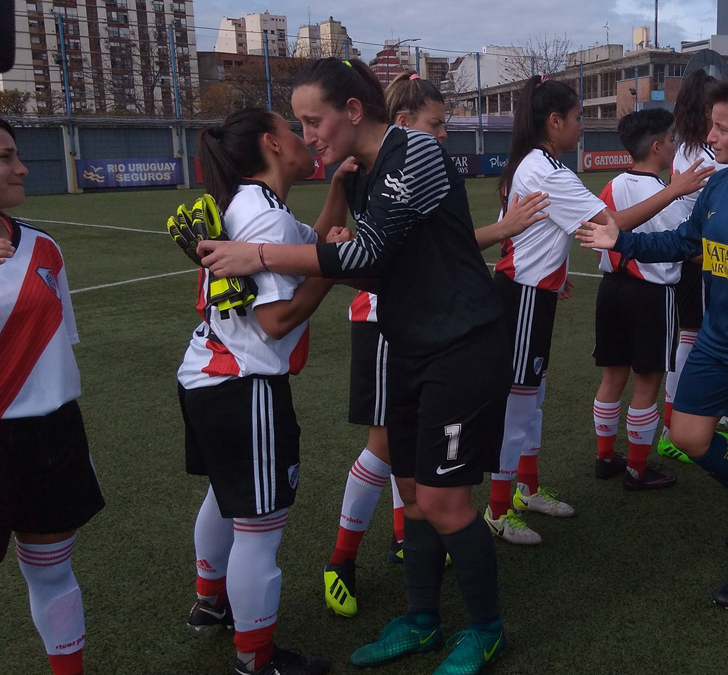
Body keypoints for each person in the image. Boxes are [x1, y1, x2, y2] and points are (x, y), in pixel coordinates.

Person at [196, 57, 512, 675]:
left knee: (447, 503)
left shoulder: (414, 152)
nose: (308, 134)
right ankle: (422, 620)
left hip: (464, 346)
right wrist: (321, 255)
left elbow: (364, 252)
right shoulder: (364, 170)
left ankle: (486, 630)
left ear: (354, 111)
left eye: (314, 121)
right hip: (411, 346)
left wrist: (257, 253)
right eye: (301, 123)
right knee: (415, 495)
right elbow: (373, 266)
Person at [576, 74, 728, 609]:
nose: (710, 134)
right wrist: (624, 240)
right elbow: (684, 241)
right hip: (715, 340)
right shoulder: (716, 184)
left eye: (721, 127)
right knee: (686, 435)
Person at [322, 70, 549, 617]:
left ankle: (424, 586)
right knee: (387, 454)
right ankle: (345, 562)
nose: (444, 134)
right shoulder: (380, 166)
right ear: (403, 124)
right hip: (387, 325)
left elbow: (429, 252)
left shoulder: (406, 162)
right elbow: (383, 256)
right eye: (436, 123)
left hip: (429, 329)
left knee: (419, 478)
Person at [495, 75, 711, 545]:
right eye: (576, 117)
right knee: (518, 407)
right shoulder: (546, 169)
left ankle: (526, 489)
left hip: (537, 291)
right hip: (524, 298)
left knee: (532, 401)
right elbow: (608, 226)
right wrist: (676, 191)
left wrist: (554, 271)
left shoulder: (534, 163)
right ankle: (497, 508)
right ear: (555, 121)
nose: (581, 126)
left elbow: (525, 233)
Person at [0, 114, 104, 675]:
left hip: (52, 432)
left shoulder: (43, 248)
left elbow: (58, 346)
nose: (22, 166)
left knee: (55, 573)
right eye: (4, 156)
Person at [178, 108, 340, 675]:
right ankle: (256, 660)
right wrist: (330, 272)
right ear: (273, 144)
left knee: (226, 498)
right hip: (243, 384)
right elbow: (276, 321)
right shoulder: (263, 217)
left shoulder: (253, 204)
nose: (305, 138)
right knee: (260, 529)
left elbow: (312, 241)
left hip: (207, 374)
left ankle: (210, 602)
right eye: (294, 130)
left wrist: (339, 190)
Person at [592, 108, 686, 492]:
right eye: (673, 139)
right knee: (646, 384)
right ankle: (637, 467)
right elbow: (683, 247)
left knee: (612, 377)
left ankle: (604, 457)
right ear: (658, 146)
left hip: (610, 290)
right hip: (651, 294)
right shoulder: (667, 195)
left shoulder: (611, 186)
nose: (676, 146)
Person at [659, 70, 728, 464]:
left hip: (694, 255)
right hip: (697, 257)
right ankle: (672, 427)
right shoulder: (702, 154)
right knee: (692, 338)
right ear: (706, 108)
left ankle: (694, 417)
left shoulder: (689, 146)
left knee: (697, 336)